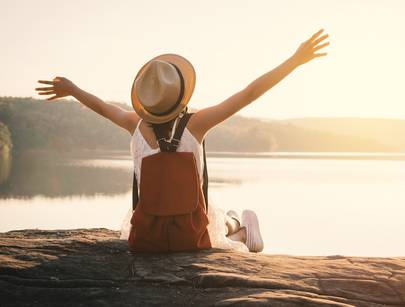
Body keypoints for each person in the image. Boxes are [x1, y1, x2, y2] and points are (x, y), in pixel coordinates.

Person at [35, 29, 329, 253]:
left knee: (211, 215)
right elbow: (249, 93)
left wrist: (72, 89)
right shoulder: (197, 124)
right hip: (191, 235)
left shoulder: (133, 124)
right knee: (217, 225)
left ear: (145, 101)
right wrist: (295, 60)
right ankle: (240, 228)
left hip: (147, 236)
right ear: (180, 95)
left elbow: (102, 107)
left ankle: (236, 222)